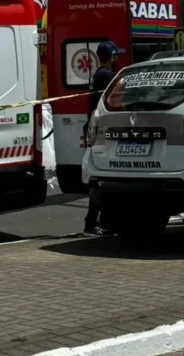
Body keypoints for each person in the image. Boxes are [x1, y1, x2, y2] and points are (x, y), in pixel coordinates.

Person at [83, 41, 122, 237]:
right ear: (112, 56)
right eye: (116, 56)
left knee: (99, 176)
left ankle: (94, 222)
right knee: (105, 177)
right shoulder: (107, 76)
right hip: (102, 128)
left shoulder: (97, 75)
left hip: (94, 126)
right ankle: (101, 223)